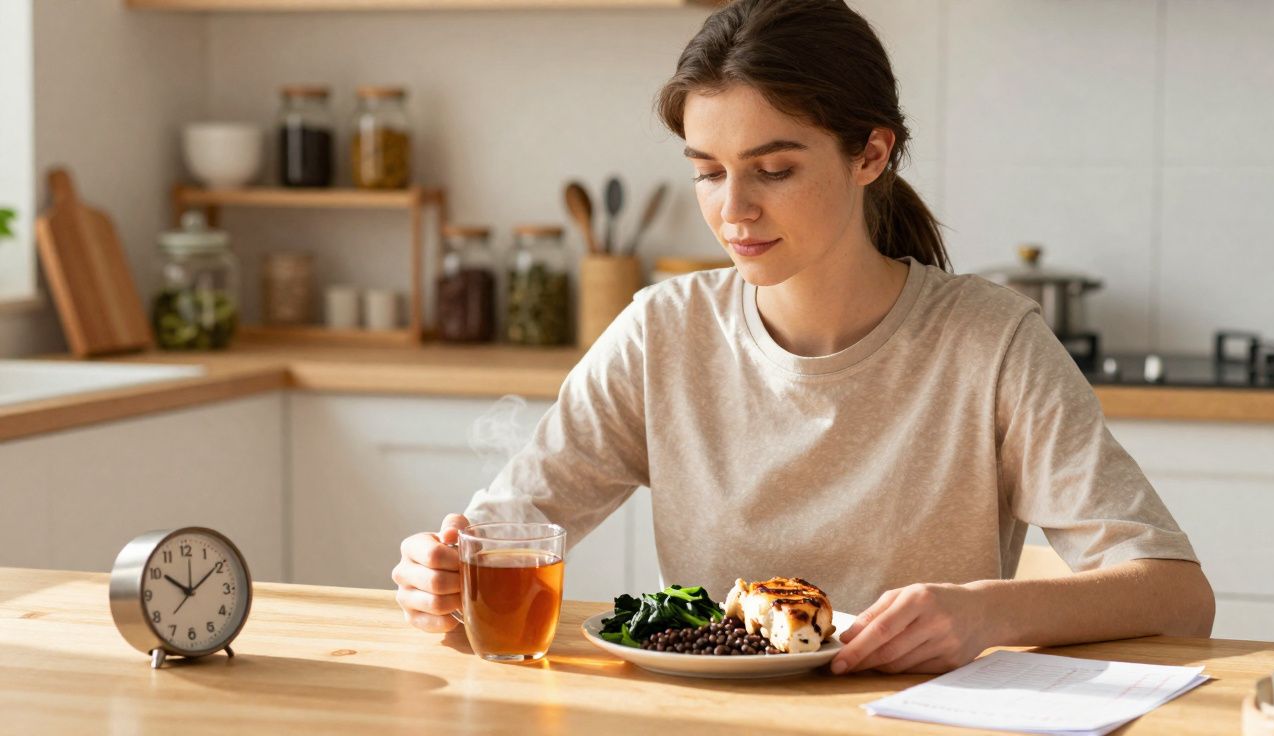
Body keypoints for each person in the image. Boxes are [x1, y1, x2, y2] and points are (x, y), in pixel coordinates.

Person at [393, 0, 1214, 676]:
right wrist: (438, 581)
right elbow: (496, 550)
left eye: (774, 169)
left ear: (871, 153)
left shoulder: (989, 342)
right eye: (708, 171)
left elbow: (1178, 598)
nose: (733, 210)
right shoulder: (661, 332)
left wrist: (984, 613)